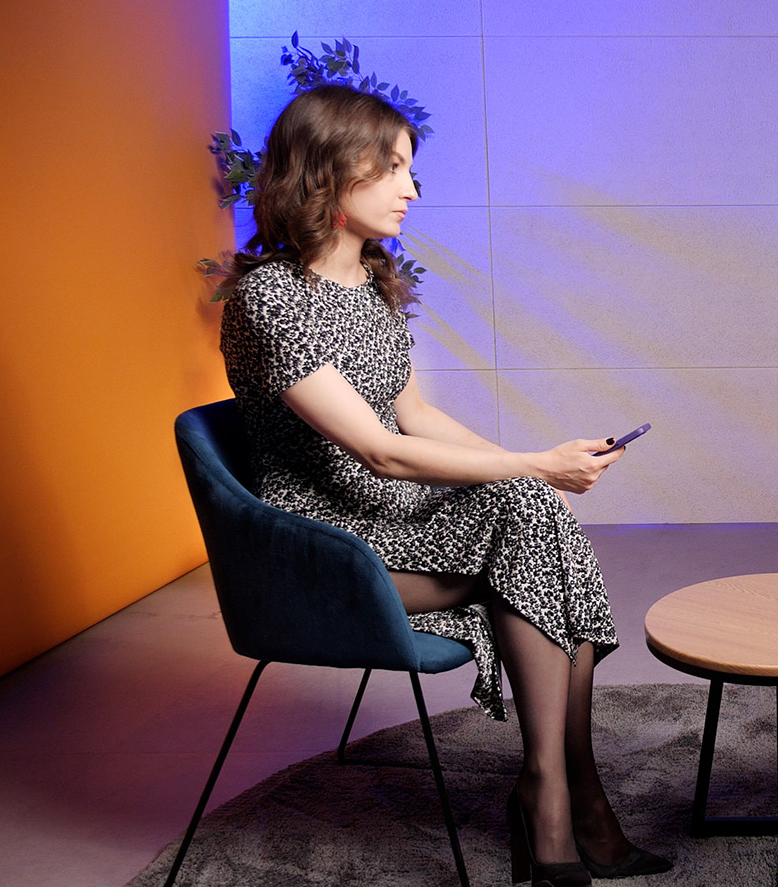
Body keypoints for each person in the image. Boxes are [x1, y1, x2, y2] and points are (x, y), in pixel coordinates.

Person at [219, 84, 670, 887]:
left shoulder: (370, 285)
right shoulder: (270, 298)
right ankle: (564, 804)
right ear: (328, 169)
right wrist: (536, 468)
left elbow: (415, 415)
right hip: (324, 547)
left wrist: (533, 463)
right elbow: (380, 452)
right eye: (392, 167)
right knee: (532, 517)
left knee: (533, 515)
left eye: (411, 170)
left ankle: (562, 798)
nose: (412, 190)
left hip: (395, 523)